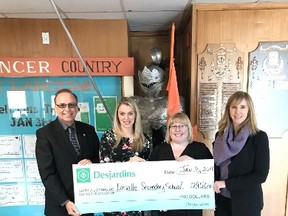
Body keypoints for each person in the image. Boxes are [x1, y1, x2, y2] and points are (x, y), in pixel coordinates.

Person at [36, 88, 100, 216]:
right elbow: (47, 173)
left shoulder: (89, 130)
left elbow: (98, 161)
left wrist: (91, 163)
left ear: (77, 107)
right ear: (55, 107)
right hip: (60, 207)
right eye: (62, 105)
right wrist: (65, 202)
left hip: (86, 203)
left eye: (71, 105)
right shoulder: (45, 134)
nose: (67, 109)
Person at [213, 91, 270, 216]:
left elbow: (260, 175)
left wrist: (226, 183)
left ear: (249, 110)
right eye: (234, 107)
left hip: (247, 203)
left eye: (242, 107)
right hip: (222, 200)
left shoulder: (259, 137)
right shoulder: (219, 136)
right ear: (228, 110)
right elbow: (215, 166)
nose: (237, 112)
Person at [149, 112, 213, 216]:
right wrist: (157, 200)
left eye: (182, 126)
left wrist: (194, 164)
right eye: (173, 126)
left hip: (190, 208)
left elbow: (211, 174)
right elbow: (149, 178)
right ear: (169, 130)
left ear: (188, 129)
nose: (177, 129)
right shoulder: (159, 149)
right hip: (164, 208)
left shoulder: (200, 149)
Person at [99, 97, 151, 216]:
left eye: (130, 114)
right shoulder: (108, 138)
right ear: (117, 115)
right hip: (114, 197)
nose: (126, 118)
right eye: (122, 114)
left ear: (135, 115)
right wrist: (127, 165)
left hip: (137, 198)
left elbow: (149, 171)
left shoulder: (144, 139)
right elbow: (102, 170)